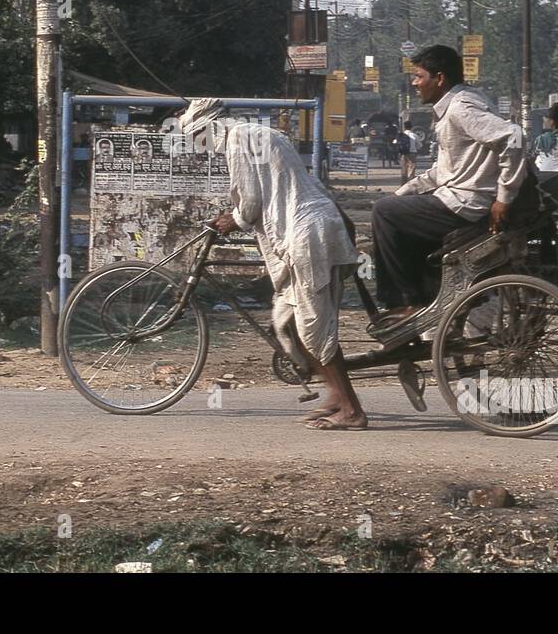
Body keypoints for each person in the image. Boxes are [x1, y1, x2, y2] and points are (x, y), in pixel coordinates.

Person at [177, 98, 366, 431]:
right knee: (288, 319)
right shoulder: (262, 133)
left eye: (197, 139)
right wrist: (234, 216)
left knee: (312, 325)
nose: (200, 147)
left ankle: (352, 409)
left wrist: (230, 222)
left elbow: (250, 204)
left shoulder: (235, 141)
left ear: (205, 129)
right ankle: (336, 395)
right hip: (319, 223)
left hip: (306, 234)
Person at [370, 45, 527, 323]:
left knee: (383, 213)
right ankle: (429, 296)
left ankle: (405, 302)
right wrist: (402, 193)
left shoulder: (460, 108)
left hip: (466, 204)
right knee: (394, 209)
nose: (415, 83)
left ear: (439, 78)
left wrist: (505, 197)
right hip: (456, 197)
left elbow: (513, 137)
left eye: (419, 77)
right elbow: (442, 171)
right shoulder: (458, 104)